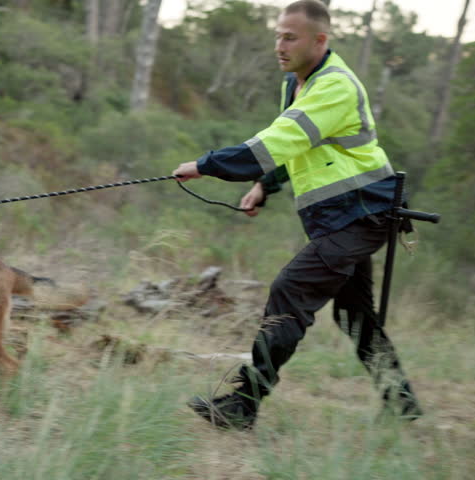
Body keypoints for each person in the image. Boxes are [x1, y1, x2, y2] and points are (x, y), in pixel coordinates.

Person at [173, 0, 422, 430]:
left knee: (290, 291)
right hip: (338, 218)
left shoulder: (336, 86)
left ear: (319, 40)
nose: (279, 45)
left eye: (290, 37)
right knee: (353, 314)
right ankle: (400, 401)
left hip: (363, 214)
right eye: (277, 35)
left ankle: (243, 404)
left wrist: (207, 165)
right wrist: (263, 187)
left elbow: (274, 143)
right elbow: (297, 146)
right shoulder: (297, 83)